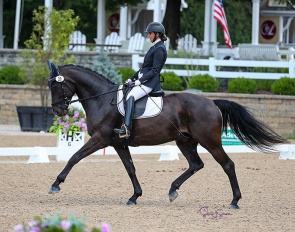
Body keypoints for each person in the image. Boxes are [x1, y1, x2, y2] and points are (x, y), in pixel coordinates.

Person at [114, 22, 168, 138]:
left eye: (150, 33)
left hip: (150, 84)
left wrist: (140, 81)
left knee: (131, 96)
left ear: (157, 34)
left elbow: (154, 70)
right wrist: (132, 78)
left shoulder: (160, 49)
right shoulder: (154, 47)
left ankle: (126, 128)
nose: (148, 36)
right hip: (144, 81)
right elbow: (144, 68)